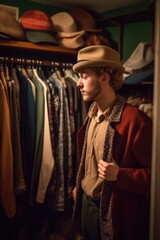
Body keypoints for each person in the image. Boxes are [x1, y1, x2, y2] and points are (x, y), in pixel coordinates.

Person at [72, 45, 152, 240]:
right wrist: (80, 186)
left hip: (114, 215)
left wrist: (120, 175)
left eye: (84, 76)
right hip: (86, 207)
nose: (78, 84)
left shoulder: (135, 120)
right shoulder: (91, 115)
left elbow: (154, 179)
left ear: (104, 78)